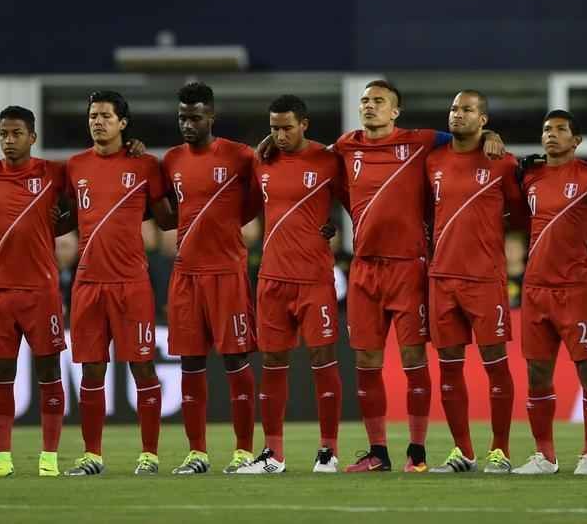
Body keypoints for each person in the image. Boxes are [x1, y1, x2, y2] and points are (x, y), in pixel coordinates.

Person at [332, 79, 504, 473]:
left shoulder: (422, 142)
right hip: (364, 267)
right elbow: (313, 163)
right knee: (366, 360)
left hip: (409, 265)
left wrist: (491, 133)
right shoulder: (346, 145)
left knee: (412, 357)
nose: (370, 106)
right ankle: (378, 453)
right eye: (365, 100)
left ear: (395, 111)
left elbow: (466, 135)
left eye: (379, 101)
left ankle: (418, 452)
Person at [63, 91, 176, 476]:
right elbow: (66, 215)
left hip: (131, 283)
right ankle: (92, 455)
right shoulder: (75, 166)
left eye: (106, 116)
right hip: (88, 283)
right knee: (92, 370)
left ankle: (150, 455)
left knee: (142, 367)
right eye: (93, 115)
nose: (98, 122)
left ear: (122, 123)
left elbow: (166, 218)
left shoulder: (145, 165)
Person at [237, 94, 346, 475]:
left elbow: (355, 202)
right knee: (272, 361)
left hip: (314, 279)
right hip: (272, 279)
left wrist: (335, 227)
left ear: (304, 125)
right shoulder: (262, 160)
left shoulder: (329, 160)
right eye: (274, 128)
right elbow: (249, 208)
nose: (280, 135)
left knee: (323, 359)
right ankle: (273, 454)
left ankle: (328, 451)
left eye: (287, 127)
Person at [0, 106, 71, 479]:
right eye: (3, 134)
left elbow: (91, 192)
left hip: (41, 290)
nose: (8, 141)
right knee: (0, 374)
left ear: (32, 137)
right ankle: (2, 458)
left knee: (49, 371)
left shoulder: (53, 173)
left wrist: (61, 222)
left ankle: (49, 458)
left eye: (16, 134)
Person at [162, 81, 261, 475]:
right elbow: (168, 211)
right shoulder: (171, 160)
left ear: (211, 117)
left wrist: (230, 228)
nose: (188, 124)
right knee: (190, 362)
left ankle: (243, 451)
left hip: (226, 273)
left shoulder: (239, 156)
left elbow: (258, 199)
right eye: (182, 117)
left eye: (195, 117)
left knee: (235, 359)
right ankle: (197, 453)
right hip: (186, 274)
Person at [423, 90, 522, 474]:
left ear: (483, 119)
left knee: (495, 365)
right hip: (442, 277)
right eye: (453, 108)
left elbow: (520, 215)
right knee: (449, 367)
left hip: (485, 279)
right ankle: (462, 451)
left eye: (467, 109)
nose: (457, 114)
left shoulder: (503, 163)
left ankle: (500, 450)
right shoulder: (432, 161)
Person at [515, 110, 587, 476]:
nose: (552, 135)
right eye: (547, 129)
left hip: (576, 289)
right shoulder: (530, 176)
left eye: (560, 130)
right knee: (537, 373)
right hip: (535, 289)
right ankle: (545, 456)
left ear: (576, 141)